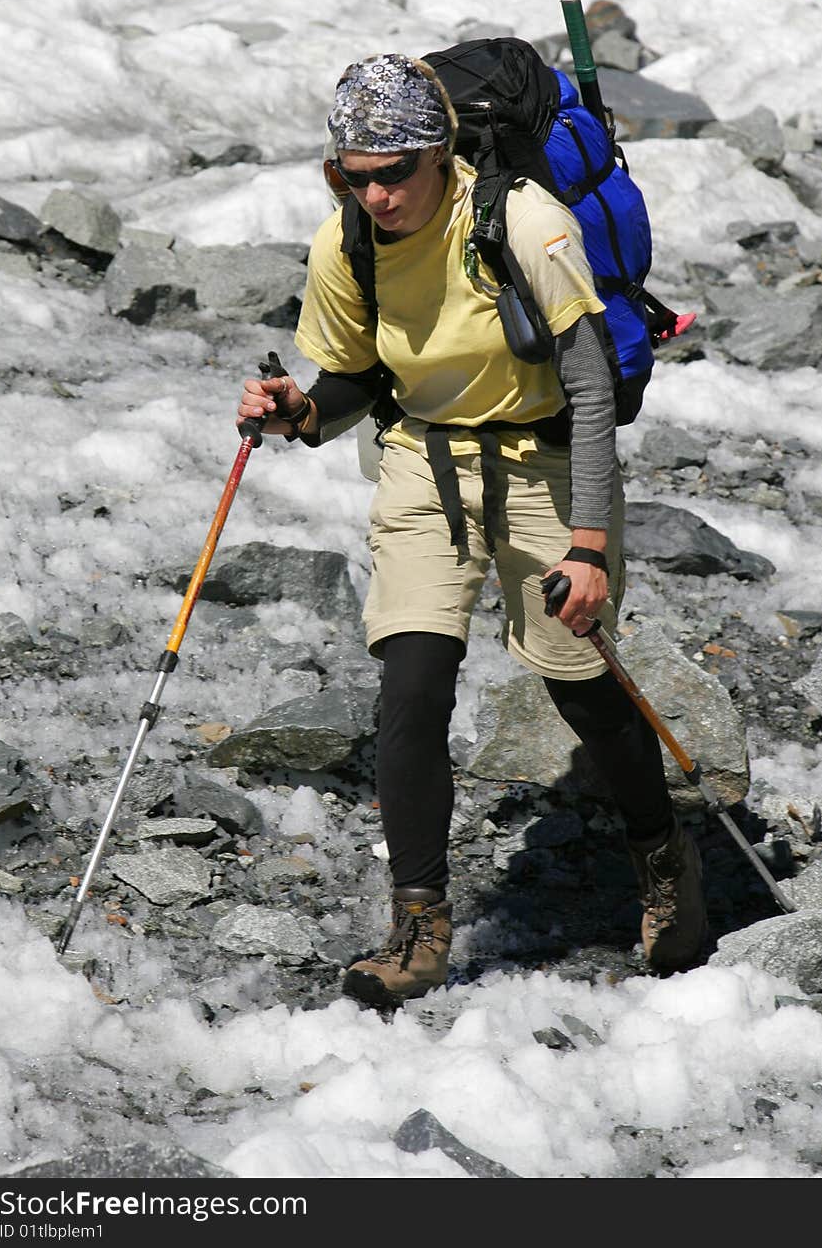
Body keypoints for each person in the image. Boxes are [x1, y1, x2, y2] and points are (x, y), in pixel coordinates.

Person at [236, 52, 706, 1007]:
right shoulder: (348, 244)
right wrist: (298, 412)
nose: (374, 194)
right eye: (350, 174)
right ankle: (419, 930)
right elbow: (357, 377)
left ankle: (663, 856)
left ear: (441, 153)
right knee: (413, 682)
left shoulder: (525, 224)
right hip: (424, 461)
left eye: (392, 171)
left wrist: (584, 547)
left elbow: (586, 387)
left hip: (547, 461)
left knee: (581, 682)